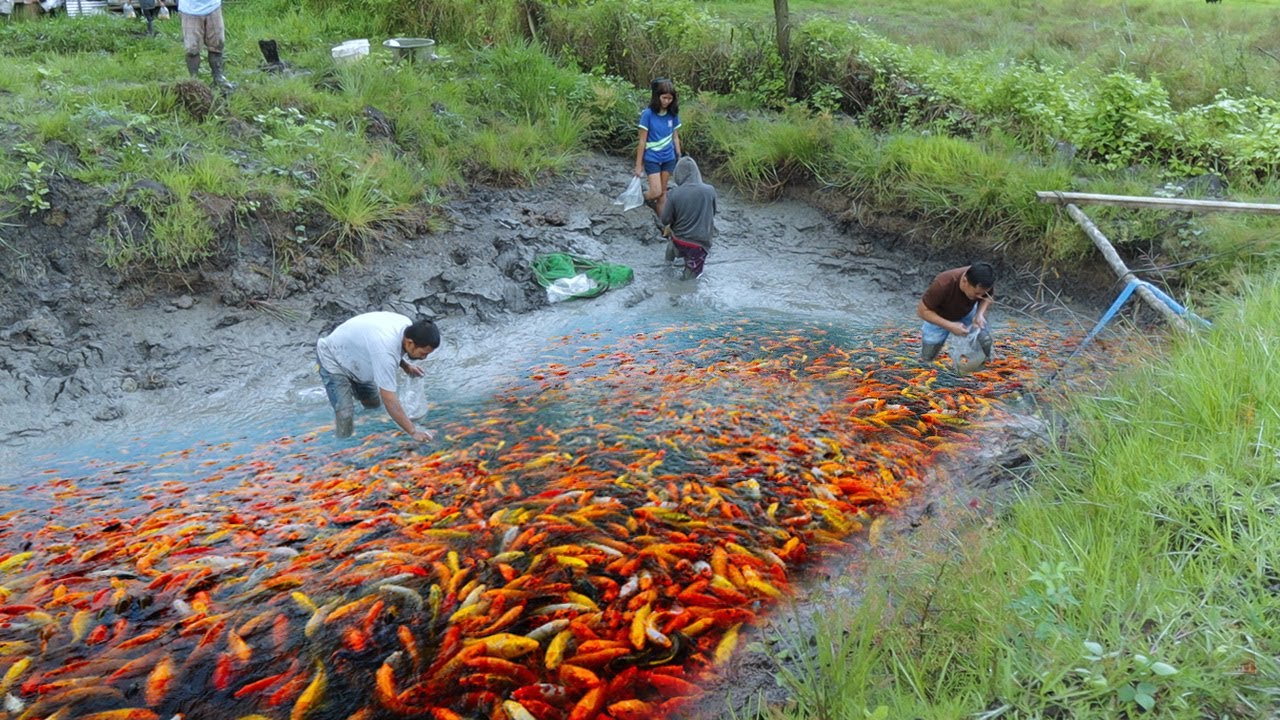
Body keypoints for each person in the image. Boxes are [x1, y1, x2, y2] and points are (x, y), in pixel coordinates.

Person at [316, 312, 439, 442]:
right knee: (345, 415)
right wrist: (413, 431)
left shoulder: (407, 327)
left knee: (373, 405)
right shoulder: (385, 352)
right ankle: (340, 447)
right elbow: (390, 399)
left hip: (358, 356)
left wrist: (405, 366)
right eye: (423, 353)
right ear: (410, 343)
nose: (424, 358)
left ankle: (365, 430)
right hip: (333, 356)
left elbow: (391, 350)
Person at [916, 262, 995, 363]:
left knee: (984, 338)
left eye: (982, 293)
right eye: (977, 293)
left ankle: (987, 363)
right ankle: (926, 360)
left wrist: (979, 314)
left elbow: (987, 297)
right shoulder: (943, 284)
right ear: (965, 281)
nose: (980, 296)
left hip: (968, 311)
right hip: (939, 315)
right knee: (928, 356)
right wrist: (950, 326)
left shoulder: (984, 279)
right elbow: (922, 311)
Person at [659, 156, 717, 280]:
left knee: (670, 246)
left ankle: (666, 269)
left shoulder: (674, 193)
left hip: (678, 241)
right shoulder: (710, 191)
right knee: (689, 280)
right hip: (699, 246)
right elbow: (713, 213)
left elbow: (665, 220)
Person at [633, 78, 682, 219]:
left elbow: (675, 137)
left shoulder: (672, 114)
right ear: (657, 97)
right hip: (652, 158)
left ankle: (663, 224)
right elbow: (642, 142)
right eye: (664, 98)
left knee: (663, 193)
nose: (667, 101)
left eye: (670, 98)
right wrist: (638, 166)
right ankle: (642, 199)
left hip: (669, 158)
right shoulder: (647, 114)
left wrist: (679, 155)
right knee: (655, 191)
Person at [178, 0, 231, 91]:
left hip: (213, 7)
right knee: (192, 49)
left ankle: (218, 77)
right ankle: (194, 81)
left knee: (217, 44)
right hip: (190, 10)